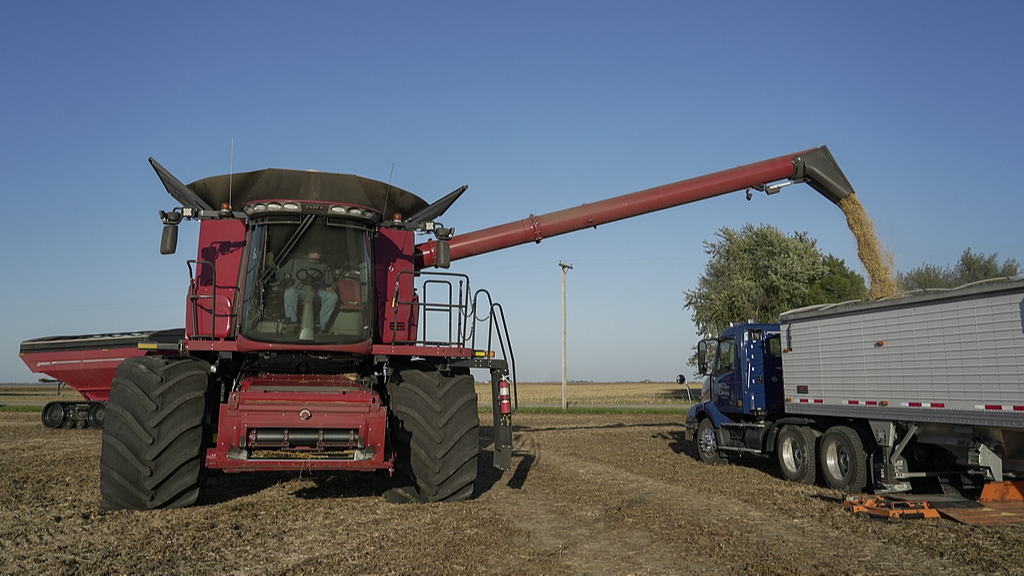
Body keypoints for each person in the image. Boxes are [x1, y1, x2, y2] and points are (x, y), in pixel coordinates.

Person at [278, 247, 338, 330]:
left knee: (332, 297)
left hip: (317, 293)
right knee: (289, 292)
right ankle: (291, 323)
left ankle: (319, 325)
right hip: (299, 292)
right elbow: (279, 274)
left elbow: (332, 284)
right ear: (308, 253)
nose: (315, 253)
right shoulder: (294, 262)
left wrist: (330, 288)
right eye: (313, 250)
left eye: (317, 250)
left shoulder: (324, 267)